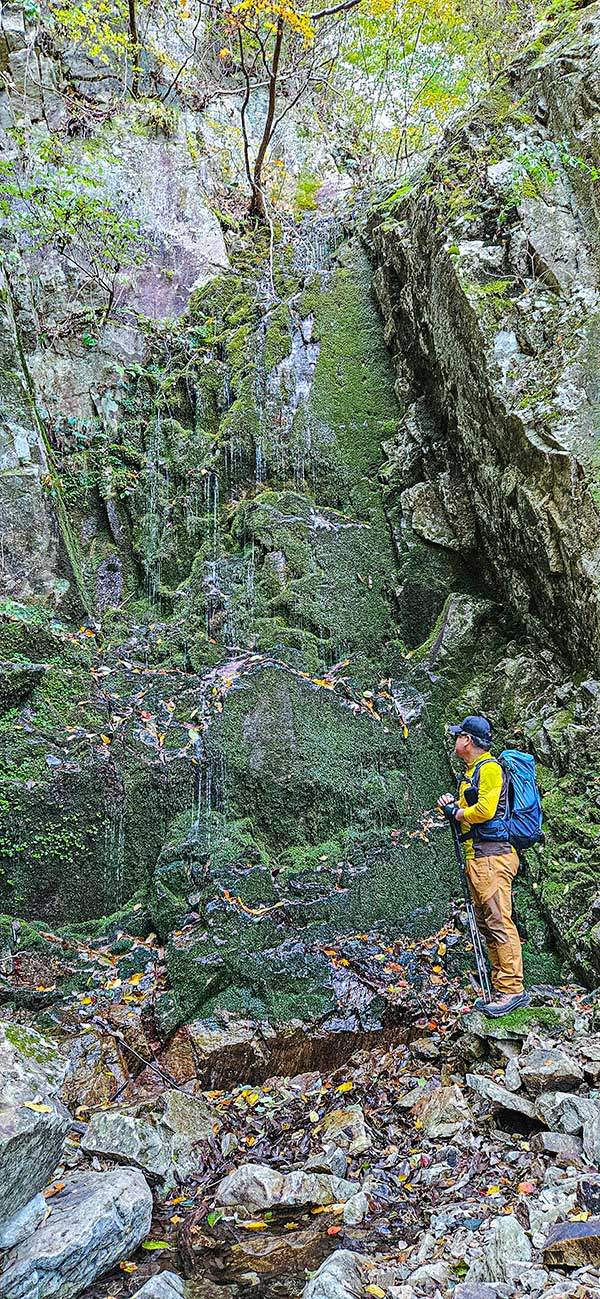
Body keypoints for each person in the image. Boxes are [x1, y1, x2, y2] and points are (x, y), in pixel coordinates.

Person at [438, 714, 530, 1018]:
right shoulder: (473, 771)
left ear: (467, 740)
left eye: (458, 736)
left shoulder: (489, 768)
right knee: (487, 924)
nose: (455, 741)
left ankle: (512, 990)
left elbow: (487, 810)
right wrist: (456, 808)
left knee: (499, 921)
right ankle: (500, 988)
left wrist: (457, 812)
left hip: (493, 857)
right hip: (478, 858)